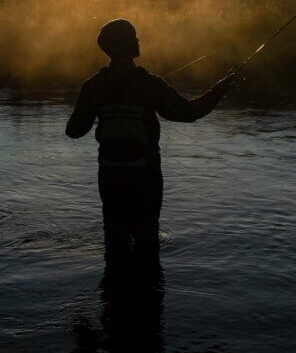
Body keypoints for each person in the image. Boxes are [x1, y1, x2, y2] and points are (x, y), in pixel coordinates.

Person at [66, 18, 233, 262]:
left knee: (115, 245)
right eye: (134, 37)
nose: (138, 40)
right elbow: (188, 113)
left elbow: (74, 131)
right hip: (146, 176)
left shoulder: (92, 86)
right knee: (147, 245)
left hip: (110, 175)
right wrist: (218, 91)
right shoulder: (150, 84)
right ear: (129, 45)